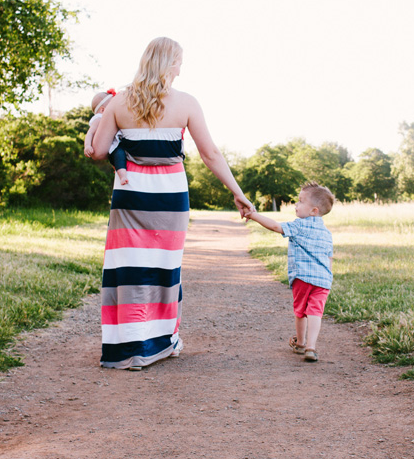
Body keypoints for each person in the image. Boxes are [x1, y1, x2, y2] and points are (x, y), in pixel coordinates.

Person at [90, 37, 255, 370]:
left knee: (130, 268)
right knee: (163, 269)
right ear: (169, 64)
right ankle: (160, 342)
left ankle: (128, 347)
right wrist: (237, 191)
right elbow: (211, 154)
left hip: (131, 195)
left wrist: (97, 127)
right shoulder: (187, 103)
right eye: (179, 61)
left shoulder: (119, 103)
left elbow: (96, 151)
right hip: (170, 196)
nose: (181, 67)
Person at [244, 182, 335, 362]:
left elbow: (276, 227)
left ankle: (300, 343)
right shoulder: (327, 233)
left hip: (302, 278)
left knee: (301, 311)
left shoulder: (299, 225)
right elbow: (329, 257)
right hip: (323, 280)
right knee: (316, 312)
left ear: (313, 211)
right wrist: (328, 277)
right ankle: (311, 347)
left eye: (301, 201)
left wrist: (254, 215)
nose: (296, 204)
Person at [84, 89, 129, 185]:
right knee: (119, 154)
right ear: (103, 110)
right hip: (111, 147)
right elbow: (90, 133)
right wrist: (87, 146)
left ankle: (119, 169)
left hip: (116, 143)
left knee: (120, 156)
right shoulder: (98, 119)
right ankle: (122, 176)